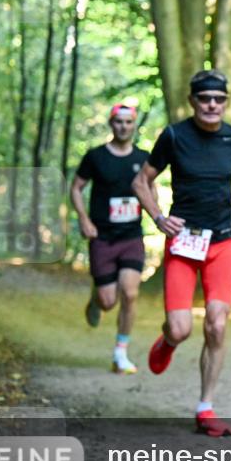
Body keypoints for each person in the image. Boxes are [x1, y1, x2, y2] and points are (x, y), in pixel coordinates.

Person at [131, 70, 231, 437]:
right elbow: (141, 180)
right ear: (192, 101)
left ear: (225, 102)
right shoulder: (174, 136)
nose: (211, 104)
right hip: (185, 241)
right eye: (204, 98)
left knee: (217, 324)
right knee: (181, 327)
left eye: (218, 99)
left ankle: (205, 407)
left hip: (222, 241)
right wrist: (158, 218)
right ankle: (169, 340)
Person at [71, 104, 149, 375]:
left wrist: (159, 216)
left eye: (128, 122)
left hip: (131, 236)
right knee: (108, 302)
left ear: (134, 125)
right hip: (102, 237)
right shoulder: (95, 157)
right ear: (111, 124)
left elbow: (150, 190)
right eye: (119, 122)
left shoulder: (144, 157)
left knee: (130, 292)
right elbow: (77, 188)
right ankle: (96, 297)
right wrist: (84, 219)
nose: (124, 127)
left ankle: (120, 354)